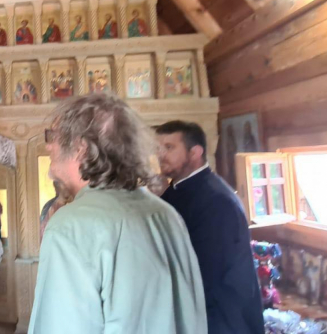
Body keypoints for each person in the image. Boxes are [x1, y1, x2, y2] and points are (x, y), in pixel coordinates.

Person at [30, 94, 206, 333]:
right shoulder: (166, 214)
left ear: (81, 148)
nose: (49, 146)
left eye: (54, 137)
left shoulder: (70, 225)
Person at [156, 120, 264, 334]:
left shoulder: (216, 200)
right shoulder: (177, 189)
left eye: (169, 147)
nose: (161, 155)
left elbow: (206, 272)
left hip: (221, 318)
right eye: (158, 148)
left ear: (195, 153)